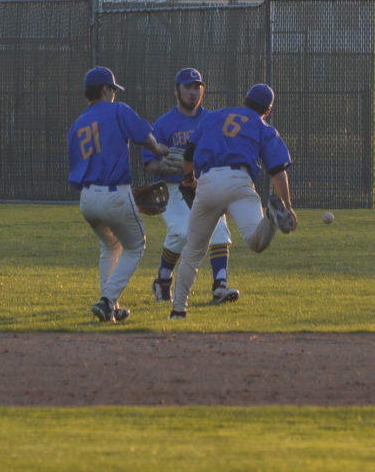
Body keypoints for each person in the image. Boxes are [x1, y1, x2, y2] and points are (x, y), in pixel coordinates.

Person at [169, 83, 297, 319]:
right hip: (239, 182)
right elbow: (278, 170)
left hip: (208, 182)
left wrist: (188, 179)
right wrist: (287, 206)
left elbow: (189, 153)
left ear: (245, 100)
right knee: (255, 242)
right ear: (267, 110)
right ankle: (271, 216)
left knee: (193, 252)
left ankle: (178, 310)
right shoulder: (262, 126)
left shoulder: (213, 117)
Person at [67, 66, 171, 323]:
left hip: (87, 199)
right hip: (114, 193)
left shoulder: (77, 124)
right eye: (112, 89)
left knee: (110, 245)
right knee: (135, 246)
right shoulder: (117, 110)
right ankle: (107, 301)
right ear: (105, 90)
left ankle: (111, 306)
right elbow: (143, 135)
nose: (114, 94)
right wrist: (158, 148)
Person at [148, 67, 239, 306]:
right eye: (187, 87)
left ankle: (220, 286)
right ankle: (163, 279)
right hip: (172, 187)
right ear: (177, 90)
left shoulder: (212, 121)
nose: (193, 92)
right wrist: (164, 165)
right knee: (181, 232)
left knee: (219, 231)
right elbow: (149, 163)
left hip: (204, 185)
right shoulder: (164, 124)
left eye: (197, 87)